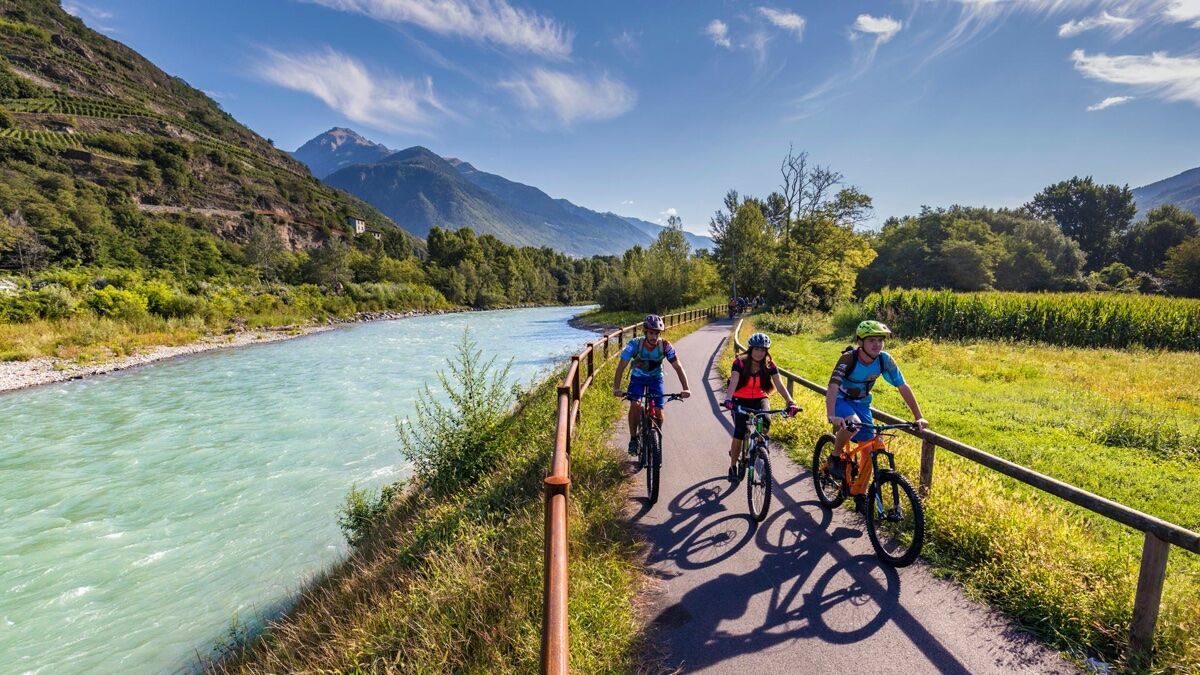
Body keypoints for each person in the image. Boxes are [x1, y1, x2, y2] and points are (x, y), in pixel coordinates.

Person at [825, 320, 929, 508]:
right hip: (841, 400)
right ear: (860, 342)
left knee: (869, 449)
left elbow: (903, 386)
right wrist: (831, 414)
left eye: (880, 340)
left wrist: (918, 416)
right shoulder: (848, 359)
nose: (877, 344)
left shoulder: (884, 360)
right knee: (853, 424)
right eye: (871, 340)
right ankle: (834, 456)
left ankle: (860, 493)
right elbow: (832, 386)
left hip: (863, 403)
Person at [722, 332, 799, 481]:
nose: (759, 353)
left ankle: (759, 449)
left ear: (767, 351)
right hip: (739, 398)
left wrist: (790, 402)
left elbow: (779, 384)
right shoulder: (740, 362)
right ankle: (733, 466)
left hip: (760, 397)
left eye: (763, 350)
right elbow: (733, 381)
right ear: (751, 349)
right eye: (757, 349)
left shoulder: (769, 364)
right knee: (740, 430)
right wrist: (728, 398)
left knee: (766, 421)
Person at [613, 314, 691, 455]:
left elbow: (678, 367)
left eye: (656, 333)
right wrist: (616, 388)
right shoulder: (635, 344)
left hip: (656, 378)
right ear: (645, 332)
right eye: (651, 333)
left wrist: (686, 388)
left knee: (659, 413)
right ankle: (633, 439)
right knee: (635, 405)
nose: (654, 337)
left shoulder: (665, 346)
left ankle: (657, 439)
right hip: (637, 378)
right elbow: (621, 367)